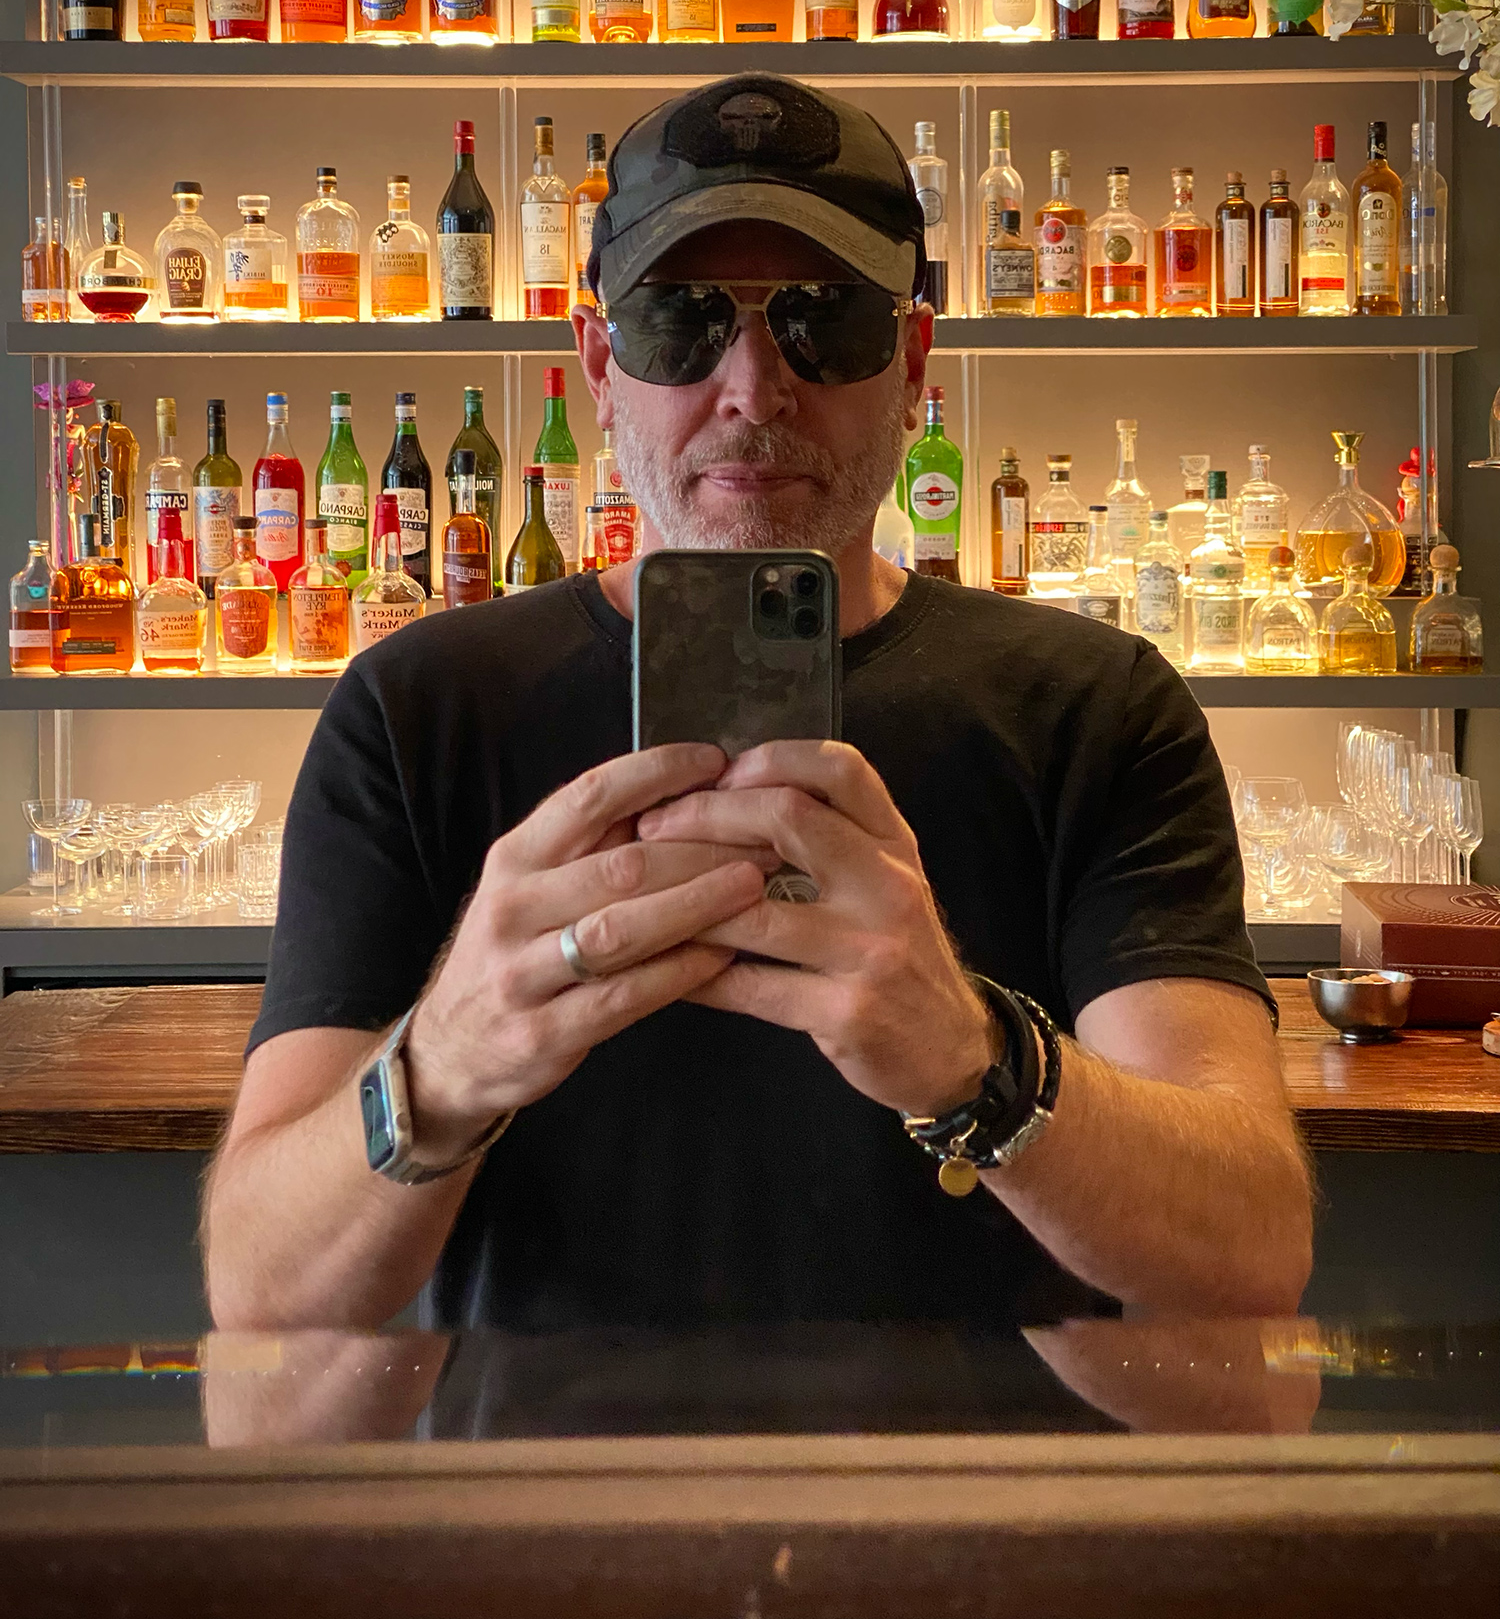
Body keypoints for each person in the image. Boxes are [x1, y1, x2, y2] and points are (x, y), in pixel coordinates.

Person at [205, 75, 1312, 1346]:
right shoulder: (419, 709)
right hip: (543, 1479)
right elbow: (263, 1286)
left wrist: (977, 1060)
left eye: (823, 319)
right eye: (678, 321)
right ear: (598, 362)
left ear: (912, 359)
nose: (753, 386)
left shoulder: (1095, 707)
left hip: (992, 1477)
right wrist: (444, 1061)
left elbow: (1249, 1249)